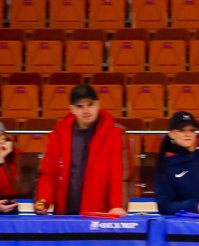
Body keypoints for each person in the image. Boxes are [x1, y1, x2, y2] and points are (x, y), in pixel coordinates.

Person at [34, 83, 128, 216]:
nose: (86, 110)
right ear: (72, 109)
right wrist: (42, 202)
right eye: (79, 106)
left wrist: (117, 206)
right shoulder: (58, 135)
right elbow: (47, 174)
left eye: (90, 104)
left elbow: (118, 175)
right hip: (64, 216)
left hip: (100, 216)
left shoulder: (114, 134)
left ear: (98, 104)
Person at [0, 123, 22, 215]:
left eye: (2, 136)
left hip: (7, 202)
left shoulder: (12, 153)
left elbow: (14, 187)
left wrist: (2, 160)